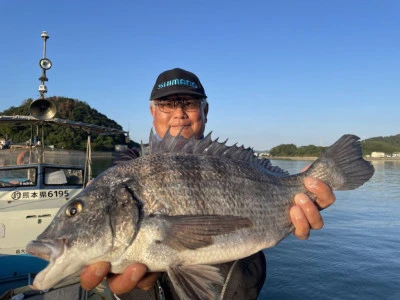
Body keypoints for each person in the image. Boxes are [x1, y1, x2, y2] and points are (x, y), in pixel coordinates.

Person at [80, 68, 335, 299]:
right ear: (152, 112)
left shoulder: (233, 165)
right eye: (167, 105)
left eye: (188, 104)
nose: (179, 114)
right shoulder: (128, 166)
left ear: (205, 111)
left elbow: (277, 192)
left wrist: (306, 193)